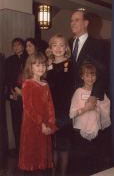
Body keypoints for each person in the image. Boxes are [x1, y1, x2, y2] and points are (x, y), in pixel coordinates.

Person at [18, 52, 58, 176]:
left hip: (45, 126)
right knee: (32, 157)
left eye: (43, 65)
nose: (41, 68)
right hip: (33, 126)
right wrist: (41, 124)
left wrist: (50, 123)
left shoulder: (45, 84)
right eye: (37, 65)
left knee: (43, 157)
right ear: (30, 67)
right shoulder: (28, 83)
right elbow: (28, 107)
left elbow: (50, 104)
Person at [70, 62, 111, 175]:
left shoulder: (99, 93)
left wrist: (96, 108)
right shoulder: (78, 92)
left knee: (94, 161)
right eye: (87, 75)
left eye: (93, 75)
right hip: (80, 130)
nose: (90, 78)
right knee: (81, 161)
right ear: (82, 76)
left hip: (95, 130)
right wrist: (86, 108)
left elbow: (106, 111)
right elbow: (72, 113)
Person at [45, 34, 75, 176]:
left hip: (64, 111)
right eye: (55, 45)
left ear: (66, 48)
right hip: (49, 110)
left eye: (61, 45)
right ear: (50, 48)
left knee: (64, 146)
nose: (58, 48)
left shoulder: (71, 64)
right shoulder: (47, 65)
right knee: (53, 146)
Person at [69, 9, 107, 103]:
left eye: (77, 20)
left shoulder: (97, 45)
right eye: (71, 20)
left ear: (86, 23)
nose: (73, 23)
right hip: (68, 95)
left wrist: (95, 94)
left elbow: (102, 71)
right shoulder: (67, 44)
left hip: (88, 96)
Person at [5, 38, 27, 159]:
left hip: (27, 95)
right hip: (14, 95)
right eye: (14, 45)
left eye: (18, 45)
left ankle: (27, 150)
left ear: (23, 46)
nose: (16, 47)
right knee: (16, 123)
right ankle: (19, 149)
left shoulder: (28, 58)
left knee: (27, 124)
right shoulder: (9, 60)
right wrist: (13, 89)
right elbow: (7, 78)